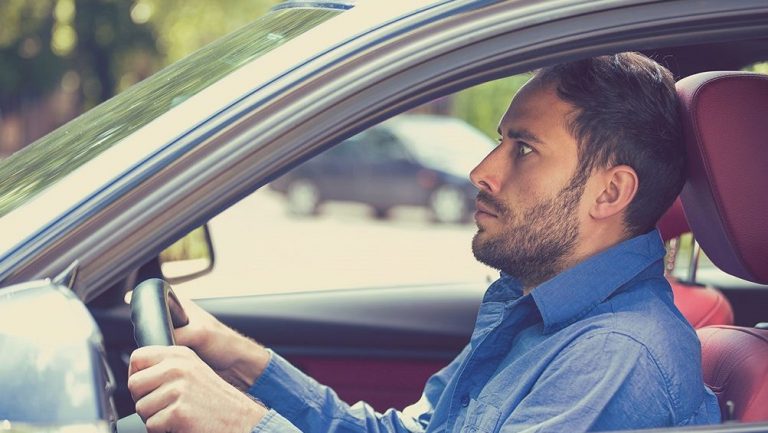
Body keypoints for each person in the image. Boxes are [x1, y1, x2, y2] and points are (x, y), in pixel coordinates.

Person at [127, 52, 721, 433]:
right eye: (501, 141)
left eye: (524, 148)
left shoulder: (617, 359)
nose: (482, 170)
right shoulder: (534, 309)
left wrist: (242, 424)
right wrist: (233, 354)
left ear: (610, 192)